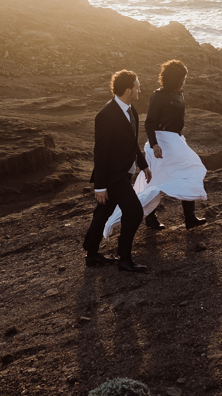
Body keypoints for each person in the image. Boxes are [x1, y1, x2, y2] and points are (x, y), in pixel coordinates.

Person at [103, 59, 207, 240]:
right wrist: (154, 144)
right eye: (182, 78)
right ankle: (150, 217)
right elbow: (149, 122)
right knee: (158, 180)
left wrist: (179, 139)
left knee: (186, 172)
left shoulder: (179, 93)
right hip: (161, 142)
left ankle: (189, 218)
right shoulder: (158, 96)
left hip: (175, 140)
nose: (184, 81)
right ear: (174, 78)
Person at [82, 69, 152, 272]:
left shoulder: (131, 110)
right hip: (112, 175)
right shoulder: (106, 115)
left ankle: (92, 253)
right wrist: (100, 186)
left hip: (124, 172)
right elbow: (101, 153)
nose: (140, 90)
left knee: (103, 212)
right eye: (138, 87)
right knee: (134, 211)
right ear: (129, 90)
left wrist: (143, 164)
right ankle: (124, 259)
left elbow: (132, 142)